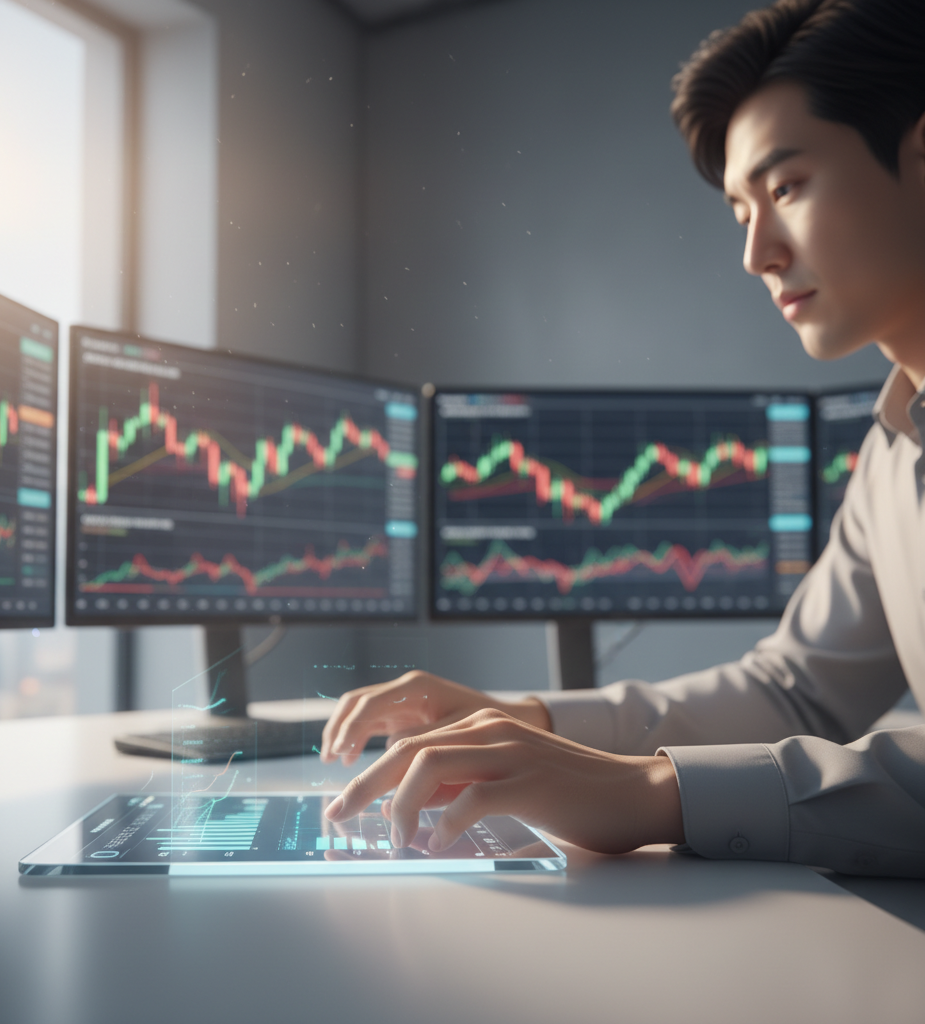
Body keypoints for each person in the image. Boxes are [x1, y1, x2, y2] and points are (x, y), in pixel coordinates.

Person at [321, 0, 925, 878]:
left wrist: (653, 793)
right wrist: (531, 722)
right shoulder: (895, 447)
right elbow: (795, 691)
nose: (757, 252)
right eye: (738, 212)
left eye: (786, 187)